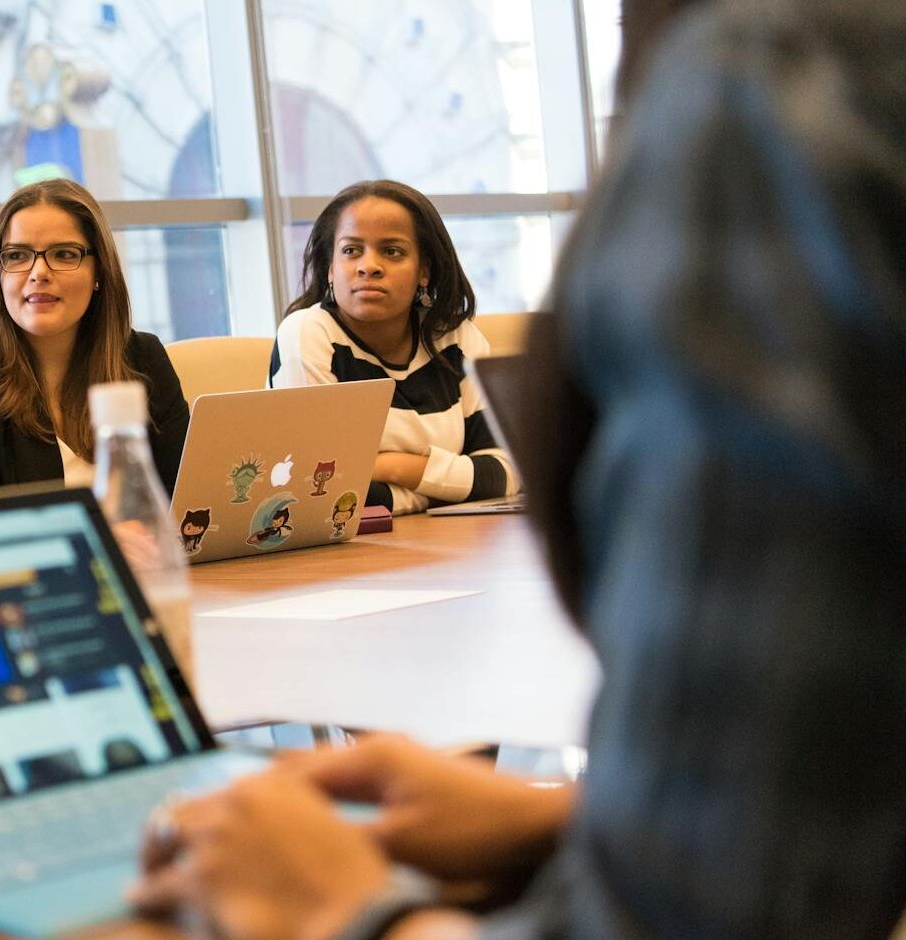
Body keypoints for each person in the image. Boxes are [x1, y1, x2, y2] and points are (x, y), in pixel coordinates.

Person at [132, 1, 906, 937]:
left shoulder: (773, 104)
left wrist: (339, 909)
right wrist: (554, 816)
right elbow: (807, 807)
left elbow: (694, 917)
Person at [267, 180, 517, 515]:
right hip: (341, 558)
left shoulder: (456, 339)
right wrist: (440, 493)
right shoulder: (308, 334)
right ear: (329, 268)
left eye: (392, 251)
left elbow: (506, 473)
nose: (369, 266)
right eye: (351, 250)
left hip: (453, 546)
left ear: (424, 271)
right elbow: (320, 491)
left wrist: (394, 467)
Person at [0, 178, 189, 494]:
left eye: (64, 254)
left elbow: (185, 501)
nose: (38, 272)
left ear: (99, 272)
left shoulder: (143, 358)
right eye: (17, 255)